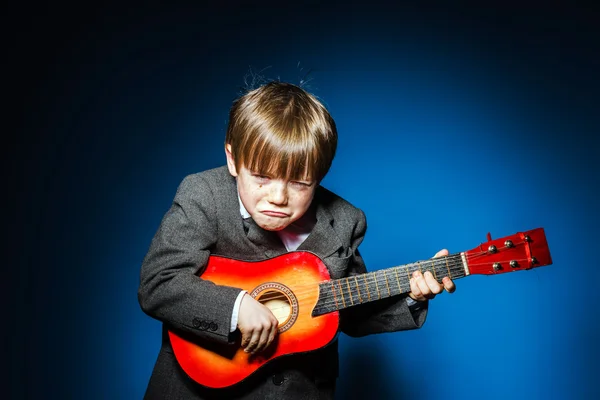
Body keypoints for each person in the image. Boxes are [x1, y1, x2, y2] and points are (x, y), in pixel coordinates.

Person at [138, 80, 456, 399]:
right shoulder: (205, 196)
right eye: (262, 177)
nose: (278, 197)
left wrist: (412, 295)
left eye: (300, 183)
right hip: (198, 391)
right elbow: (159, 282)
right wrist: (236, 307)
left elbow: (351, 314)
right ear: (233, 160)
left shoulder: (345, 221)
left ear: (320, 175)